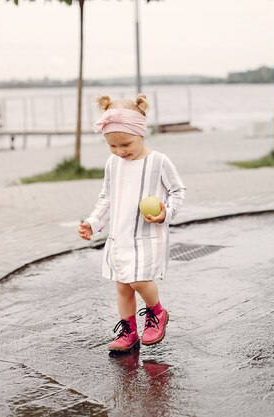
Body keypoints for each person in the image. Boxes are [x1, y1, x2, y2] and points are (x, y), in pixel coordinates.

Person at [78, 94, 186, 354]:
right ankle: (129, 331)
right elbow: (107, 197)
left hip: (147, 235)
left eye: (125, 144)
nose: (119, 151)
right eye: (112, 146)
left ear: (141, 133)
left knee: (139, 281)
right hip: (119, 236)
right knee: (123, 286)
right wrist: (93, 223)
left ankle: (157, 312)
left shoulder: (158, 161)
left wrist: (166, 213)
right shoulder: (113, 163)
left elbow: (178, 191)